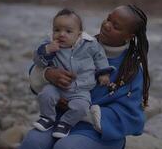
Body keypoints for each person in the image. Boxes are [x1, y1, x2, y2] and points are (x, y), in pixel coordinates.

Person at [8, 4, 151, 149]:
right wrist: (48, 74)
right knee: (32, 142)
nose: (106, 24)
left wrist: (83, 110)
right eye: (108, 18)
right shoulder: (77, 42)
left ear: (129, 35)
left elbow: (133, 117)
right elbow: (38, 66)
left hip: (99, 133)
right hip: (59, 121)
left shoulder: (131, 70)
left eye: (115, 26)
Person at [32, 8, 113, 138]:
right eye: (57, 30)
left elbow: (100, 56)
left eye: (68, 31)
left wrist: (103, 73)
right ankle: (47, 118)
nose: (61, 34)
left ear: (79, 34)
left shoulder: (89, 44)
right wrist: (47, 50)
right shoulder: (49, 43)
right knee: (46, 94)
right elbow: (37, 61)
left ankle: (65, 123)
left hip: (80, 89)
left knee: (82, 107)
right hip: (57, 87)